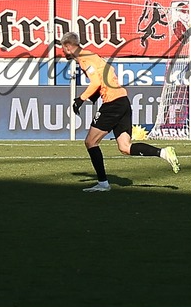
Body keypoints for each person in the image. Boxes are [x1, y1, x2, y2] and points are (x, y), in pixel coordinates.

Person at [63, 34, 178, 191]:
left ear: (69, 46)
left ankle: (103, 183)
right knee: (125, 147)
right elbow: (109, 71)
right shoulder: (93, 55)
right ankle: (163, 153)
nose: (63, 51)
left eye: (63, 48)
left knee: (90, 142)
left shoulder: (84, 58)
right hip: (123, 101)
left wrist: (81, 99)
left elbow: (96, 82)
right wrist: (97, 94)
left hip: (113, 104)